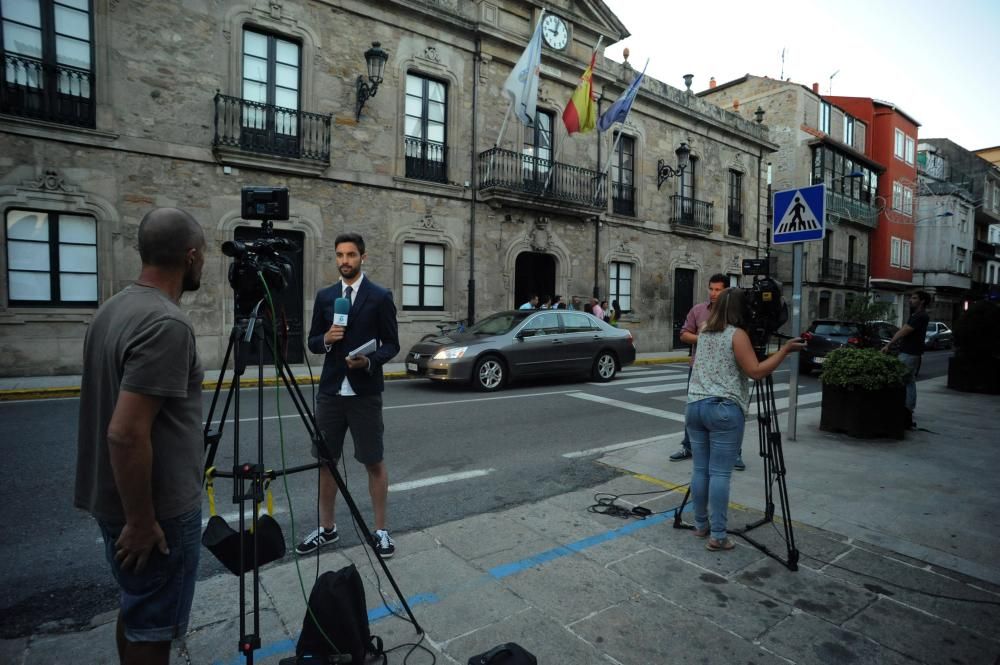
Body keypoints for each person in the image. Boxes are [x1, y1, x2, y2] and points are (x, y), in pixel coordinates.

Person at [75, 208, 206, 665]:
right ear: (191, 257)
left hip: (116, 501)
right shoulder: (166, 323)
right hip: (156, 513)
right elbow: (125, 434)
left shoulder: (112, 307)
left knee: (136, 611)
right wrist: (140, 521)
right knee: (153, 630)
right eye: (203, 254)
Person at [297, 233, 401, 558]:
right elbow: (312, 342)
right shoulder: (326, 296)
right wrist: (326, 338)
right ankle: (327, 529)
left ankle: (381, 530)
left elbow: (392, 344)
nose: (345, 261)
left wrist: (369, 361)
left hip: (364, 392)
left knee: (373, 461)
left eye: (351, 255)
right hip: (330, 392)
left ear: (363, 257)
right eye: (340, 255)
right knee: (326, 463)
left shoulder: (380, 296)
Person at [686, 288, 804, 551]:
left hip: (694, 405)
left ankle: (701, 525)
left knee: (700, 470)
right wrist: (784, 351)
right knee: (719, 473)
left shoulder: (704, 329)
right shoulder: (737, 335)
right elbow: (756, 371)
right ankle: (718, 535)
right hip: (723, 408)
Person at [672, 274, 749, 470]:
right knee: (694, 408)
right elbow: (684, 334)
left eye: (718, 290)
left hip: (727, 371)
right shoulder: (698, 310)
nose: (714, 293)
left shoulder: (735, 313)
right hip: (699, 368)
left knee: (731, 411)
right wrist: (705, 339)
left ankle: (734, 454)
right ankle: (688, 446)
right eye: (711, 289)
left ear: (726, 291)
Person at [882, 291, 931, 428]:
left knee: (903, 379)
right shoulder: (917, 315)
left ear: (922, 301)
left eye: (914, 298)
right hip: (911, 352)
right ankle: (908, 408)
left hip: (909, 353)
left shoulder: (920, 316)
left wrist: (889, 344)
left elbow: (905, 330)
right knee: (909, 380)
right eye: (911, 297)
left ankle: (906, 409)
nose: (910, 300)